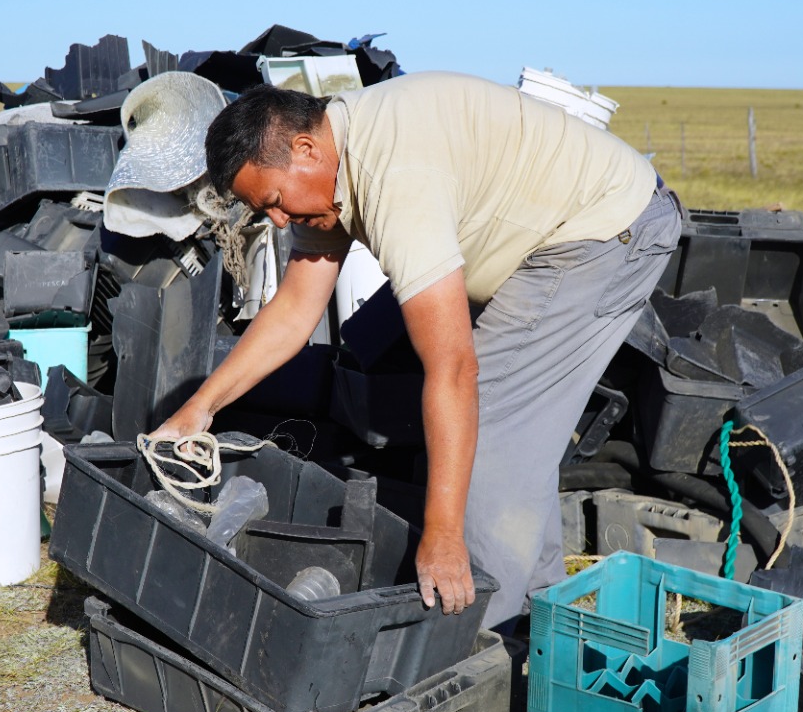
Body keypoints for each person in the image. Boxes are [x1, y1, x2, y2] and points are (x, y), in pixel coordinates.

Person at [151, 71, 681, 631]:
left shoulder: (394, 177)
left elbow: (453, 369)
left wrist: (444, 534)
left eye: (277, 202)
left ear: (305, 148)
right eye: (267, 212)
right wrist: (200, 408)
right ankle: (536, 621)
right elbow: (292, 313)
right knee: (505, 439)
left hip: (604, 232)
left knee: (491, 425)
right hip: (568, 234)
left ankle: (481, 640)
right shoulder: (331, 168)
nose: (280, 221)